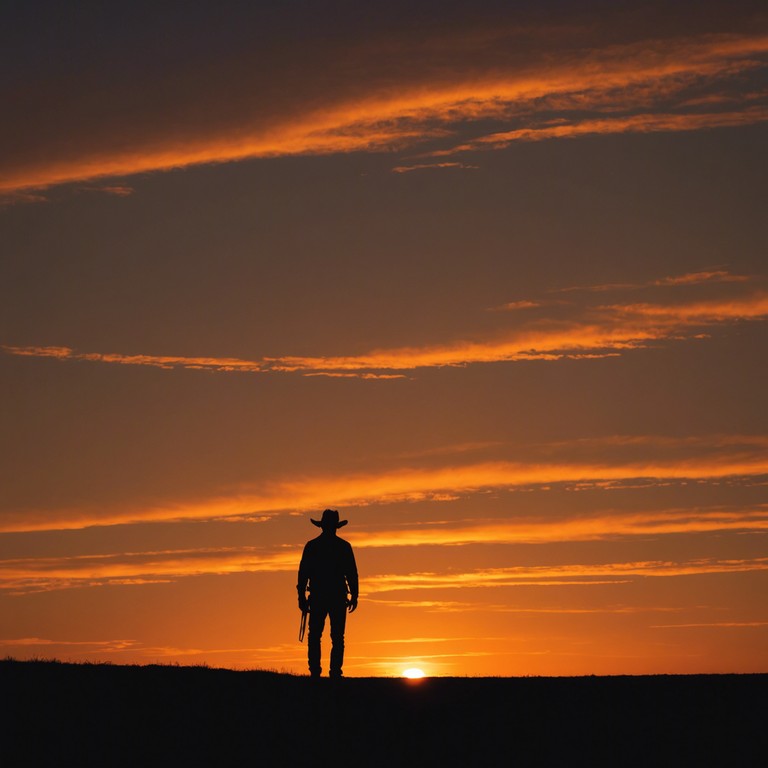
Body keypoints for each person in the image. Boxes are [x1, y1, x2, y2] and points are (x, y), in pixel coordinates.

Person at [297, 508, 358, 678]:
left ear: (322, 526)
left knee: (316, 635)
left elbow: (303, 573)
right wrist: (355, 594)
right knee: (336, 636)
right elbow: (352, 573)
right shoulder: (344, 547)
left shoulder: (312, 546)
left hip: (319, 596)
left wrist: (301, 596)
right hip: (337, 596)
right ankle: (334, 673)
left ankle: (316, 672)